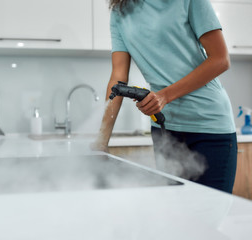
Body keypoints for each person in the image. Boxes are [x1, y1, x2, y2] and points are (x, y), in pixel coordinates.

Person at [92, 0, 237, 193]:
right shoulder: (120, 11)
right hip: (165, 131)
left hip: (209, 127)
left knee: (209, 215)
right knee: (174, 216)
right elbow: (118, 78)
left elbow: (220, 60)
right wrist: (102, 139)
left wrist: (164, 96)